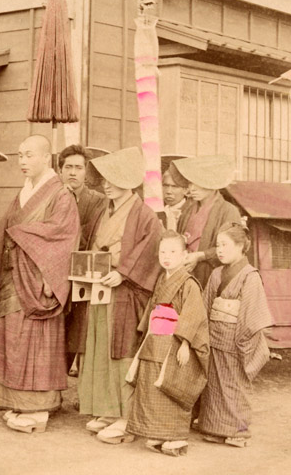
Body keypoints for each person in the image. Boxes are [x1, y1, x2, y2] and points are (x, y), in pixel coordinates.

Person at [0, 134, 80, 434]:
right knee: (11, 336)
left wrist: (51, 277)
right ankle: (14, 400)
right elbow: (6, 230)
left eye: (29, 155)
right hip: (15, 275)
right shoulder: (24, 192)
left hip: (40, 278)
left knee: (37, 341)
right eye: (20, 155)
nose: (22, 161)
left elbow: (64, 236)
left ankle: (38, 410)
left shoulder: (61, 194)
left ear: (47, 158)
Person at [77, 147, 162, 444]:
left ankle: (127, 416)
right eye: (103, 179)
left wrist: (124, 272)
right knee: (100, 348)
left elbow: (149, 251)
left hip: (126, 291)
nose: (105, 184)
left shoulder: (145, 215)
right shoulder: (104, 209)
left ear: (128, 180)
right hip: (101, 286)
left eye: (112, 179)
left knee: (122, 352)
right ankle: (108, 409)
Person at [125, 232, 209, 457]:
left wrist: (186, 344)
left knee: (171, 385)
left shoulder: (189, 283)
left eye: (173, 252)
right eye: (163, 252)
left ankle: (175, 437)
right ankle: (157, 433)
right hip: (156, 338)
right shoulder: (162, 279)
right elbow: (153, 309)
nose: (167, 257)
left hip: (175, 341)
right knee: (151, 387)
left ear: (184, 255)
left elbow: (193, 314)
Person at [198, 222, 273, 447]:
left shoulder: (250, 276)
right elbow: (205, 305)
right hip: (214, 336)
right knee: (213, 385)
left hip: (236, 339)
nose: (219, 250)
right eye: (218, 245)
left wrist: (242, 341)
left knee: (235, 385)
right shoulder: (216, 273)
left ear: (240, 246)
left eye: (225, 245)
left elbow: (252, 313)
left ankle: (238, 431)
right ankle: (213, 428)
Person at [59, 144, 109, 375]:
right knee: (57, 329)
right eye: (68, 167)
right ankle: (55, 380)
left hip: (84, 271)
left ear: (86, 172)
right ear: (60, 171)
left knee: (82, 327)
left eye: (78, 168)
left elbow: (92, 235)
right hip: (57, 271)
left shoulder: (98, 201)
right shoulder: (53, 198)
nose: (72, 173)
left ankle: (83, 384)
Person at [174, 155, 241, 290]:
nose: (191, 188)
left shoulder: (228, 211)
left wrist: (201, 256)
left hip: (211, 277)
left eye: (197, 183)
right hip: (185, 273)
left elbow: (233, 249)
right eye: (189, 183)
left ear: (212, 183)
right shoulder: (187, 210)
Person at [161, 165, 189, 231]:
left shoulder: (191, 212)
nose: (168, 191)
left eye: (175, 186)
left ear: (185, 190)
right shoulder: (158, 212)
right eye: (165, 185)